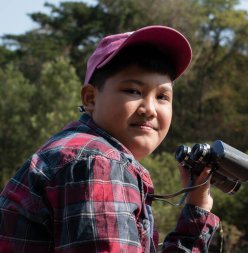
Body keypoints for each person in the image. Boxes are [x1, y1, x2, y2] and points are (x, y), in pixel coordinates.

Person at [0, 25, 220, 252]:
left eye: (162, 96)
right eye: (133, 91)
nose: (150, 109)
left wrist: (197, 208)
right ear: (90, 98)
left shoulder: (83, 153)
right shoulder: (98, 163)